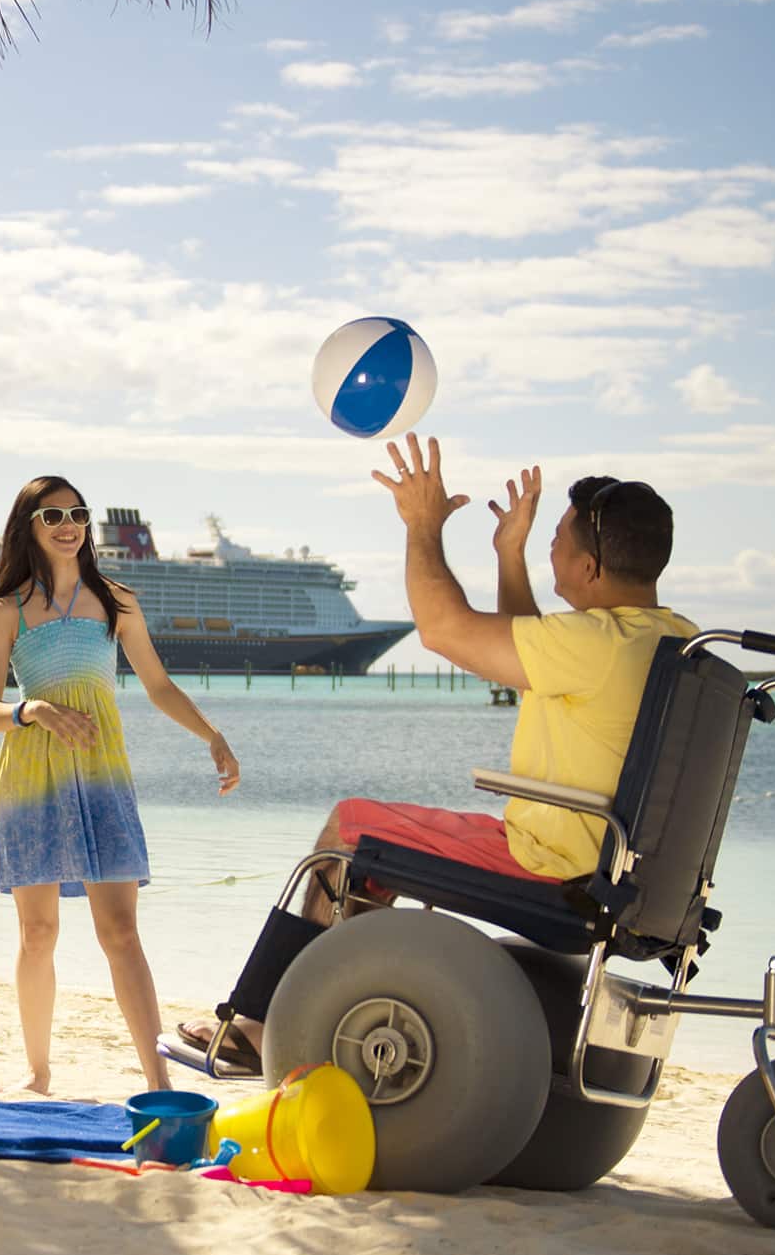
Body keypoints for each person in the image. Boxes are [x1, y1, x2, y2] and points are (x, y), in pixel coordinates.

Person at [183, 438, 695, 1071]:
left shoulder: (596, 643)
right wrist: (509, 555)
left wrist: (422, 526)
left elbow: (442, 630)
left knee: (348, 828)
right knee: (373, 853)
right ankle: (331, 1015)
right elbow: (527, 660)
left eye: (557, 540)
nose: (551, 549)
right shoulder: (666, 639)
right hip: (618, 876)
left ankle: (261, 1027)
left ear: (590, 569)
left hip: (556, 870)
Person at [0, 476, 240, 1096]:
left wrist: (212, 735)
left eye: (77, 513)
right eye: (52, 516)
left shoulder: (116, 601)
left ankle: (158, 1083)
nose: (68, 525)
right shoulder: (6, 611)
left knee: (120, 930)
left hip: (101, 777)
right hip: (30, 779)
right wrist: (31, 710)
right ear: (29, 528)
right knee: (37, 933)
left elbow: (158, 685)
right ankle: (39, 1074)